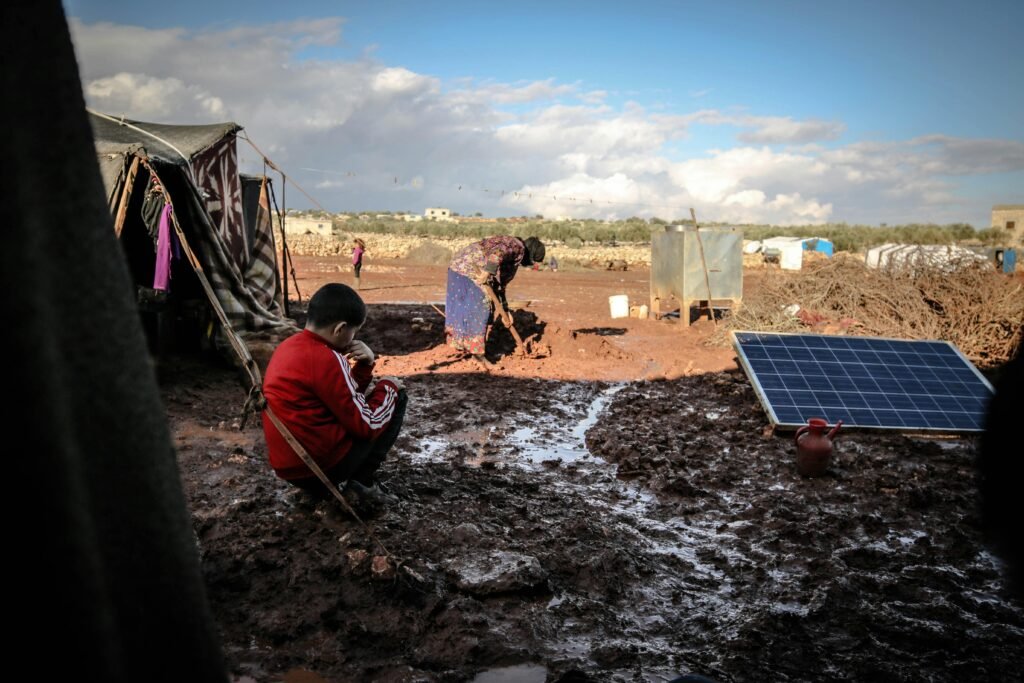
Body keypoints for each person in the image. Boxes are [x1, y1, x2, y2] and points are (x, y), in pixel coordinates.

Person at [261, 283, 407, 510]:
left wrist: (365, 366)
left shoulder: (287, 346)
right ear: (340, 329)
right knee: (397, 395)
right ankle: (361, 484)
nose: (353, 338)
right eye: (354, 332)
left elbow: (338, 397)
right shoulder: (328, 357)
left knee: (368, 405)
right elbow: (366, 425)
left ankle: (315, 492)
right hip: (320, 466)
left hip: (289, 468)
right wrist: (389, 387)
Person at [444, 235, 545, 365]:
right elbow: (497, 252)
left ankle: (471, 346)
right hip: (470, 269)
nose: (529, 265)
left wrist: (505, 310)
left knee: (471, 309)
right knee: (481, 309)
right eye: (532, 261)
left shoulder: (513, 259)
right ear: (530, 253)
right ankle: (478, 355)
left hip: (457, 267)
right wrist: (487, 272)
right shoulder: (516, 246)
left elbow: (500, 286)